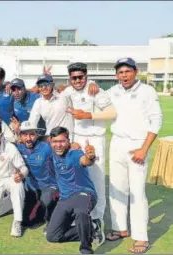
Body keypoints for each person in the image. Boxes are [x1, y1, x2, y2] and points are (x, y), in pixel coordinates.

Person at [70, 58, 163, 253]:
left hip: (138, 144)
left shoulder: (147, 91)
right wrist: (91, 84)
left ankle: (141, 238)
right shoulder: (114, 91)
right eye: (120, 73)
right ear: (116, 75)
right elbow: (91, 91)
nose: (124, 75)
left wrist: (144, 149)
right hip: (117, 143)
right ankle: (120, 229)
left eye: (127, 71)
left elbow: (156, 121)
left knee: (137, 192)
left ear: (136, 72)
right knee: (116, 189)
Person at [60, 62, 112, 244]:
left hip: (95, 139)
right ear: (69, 78)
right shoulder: (67, 92)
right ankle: (80, 217)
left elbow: (112, 113)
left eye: (81, 77)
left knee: (96, 181)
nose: (77, 81)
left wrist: (88, 115)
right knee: (77, 180)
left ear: (86, 76)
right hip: (76, 139)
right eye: (74, 78)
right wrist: (71, 139)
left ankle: (97, 222)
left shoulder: (95, 90)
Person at [45, 127, 98, 254]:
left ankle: (86, 248)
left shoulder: (75, 153)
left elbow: (85, 161)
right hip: (65, 198)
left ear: (68, 141)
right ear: (50, 142)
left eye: (62, 141)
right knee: (52, 236)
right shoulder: (52, 152)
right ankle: (93, 228)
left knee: (81, 211)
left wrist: (90, 157)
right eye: (55, 141)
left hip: (83, 193)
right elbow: (41, 138)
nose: (58, 145)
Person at [16, 121, 58, 233]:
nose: (28, 138)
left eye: (32, 134)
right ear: (20, 136)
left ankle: (51, 221)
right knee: (28, 222)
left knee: (46, 200)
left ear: (37, 135)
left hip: (49, 185)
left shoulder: (47, 148)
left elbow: (63, 152)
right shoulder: (18, 149)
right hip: (31, 187)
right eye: (25, 135)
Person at [28, 74, 74, 139]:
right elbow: (32, 122)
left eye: (46, 84)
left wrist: (91, 83)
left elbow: (76, 86)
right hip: (51, 139)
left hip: (68, 138)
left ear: (53, 85)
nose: (43, 87)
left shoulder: (64, 96)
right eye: (40, 85)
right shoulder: (38, 102)